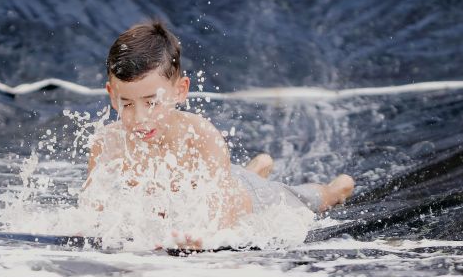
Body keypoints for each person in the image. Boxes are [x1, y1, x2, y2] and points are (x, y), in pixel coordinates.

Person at [84, 20, 354, 248]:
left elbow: (220, 215)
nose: (140, 118)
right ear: (111, 95)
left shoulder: (201, 136)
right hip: (221, 178)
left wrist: (203, 237)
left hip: (248, 198)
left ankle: (333, 188)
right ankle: (255, 168)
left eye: (151, 102)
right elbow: (91, 211)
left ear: (180, 91)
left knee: (303, 201)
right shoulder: (107, 142)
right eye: (127, 104)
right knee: (232, 177)